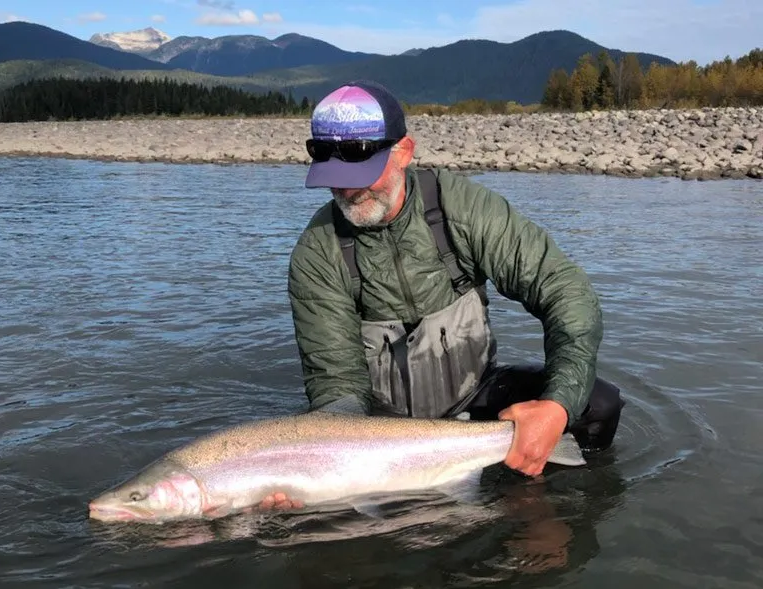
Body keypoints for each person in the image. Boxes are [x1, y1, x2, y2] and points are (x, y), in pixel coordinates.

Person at [259, 80, 624, 511]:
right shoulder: (317, 252)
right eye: (334, 180)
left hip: (476, 397)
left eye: (359, 175)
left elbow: (566, 291)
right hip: (381, 426)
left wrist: (557, 407)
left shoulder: (461, 209)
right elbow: (336, 384)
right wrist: (311, 473)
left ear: (405, 152)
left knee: (598, 403)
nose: (347, 191)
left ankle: (535, 499)